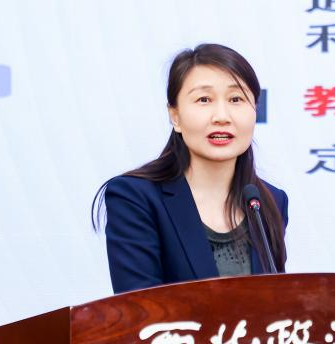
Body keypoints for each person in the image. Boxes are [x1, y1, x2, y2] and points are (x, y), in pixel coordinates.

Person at [91, 44, 288, 294]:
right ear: (175, 116)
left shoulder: (268, 202)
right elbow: (139, 308)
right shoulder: (135, 197)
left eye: (236, 99)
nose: (222, 116)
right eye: (204, 100)